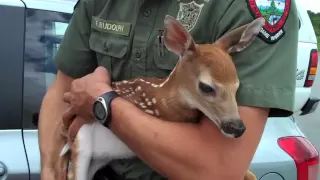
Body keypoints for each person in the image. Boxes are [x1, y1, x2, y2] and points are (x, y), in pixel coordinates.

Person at [38, 0, 299, 179]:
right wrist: (50, 170)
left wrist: (105, 105)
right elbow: (62, 90)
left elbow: (219, 167)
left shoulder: (244, 7)